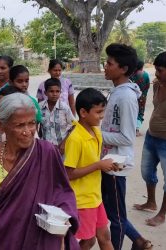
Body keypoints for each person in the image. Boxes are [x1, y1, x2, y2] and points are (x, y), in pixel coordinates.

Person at [0, 93, 79, 250]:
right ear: (0, 125)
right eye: (19, 125)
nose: (28, 131)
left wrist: (64, 218)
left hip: (45, 237)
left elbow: (64, 192)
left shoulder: (47, 152)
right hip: (10, 237)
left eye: (32, 123)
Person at [101, 43, 152, 250]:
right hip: (108, 161)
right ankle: (139, 241)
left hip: (116, 165)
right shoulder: (118, 92)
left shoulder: (126, 97)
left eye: (109, 63)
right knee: (112, 211)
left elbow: (127, 137)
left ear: (123, 69)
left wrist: (95, 134)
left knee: (116, 217)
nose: (105, 66)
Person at [134, 51, 166, 227]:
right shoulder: (157, 85)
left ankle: (162, 214)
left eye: (160, 70)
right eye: (156, 69)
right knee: (147, 172)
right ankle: (151, 202)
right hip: (151, 137)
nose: (156, 73)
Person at [63, 88, 116, 250]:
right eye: (98, 112)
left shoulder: (96, 132)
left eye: (103, 111)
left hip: (95, 197)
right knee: (87, 241)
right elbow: (68, 173)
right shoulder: (75, 139)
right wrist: (99, 165)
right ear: (83, 112)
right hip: (82, 200)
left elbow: (93, 161)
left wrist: (106, 165)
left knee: (104, 236)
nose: (102, 116)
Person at [39, 77, 75, 153]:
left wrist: (64, 142)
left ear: (60, 92)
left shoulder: (64, 108)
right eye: (51, 91)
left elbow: (74, 125)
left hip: (61, 148)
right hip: (45, 148)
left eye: (57, 91)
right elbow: (35, 124)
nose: (54, 94)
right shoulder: (40, 107)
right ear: (45, 93)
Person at [130, 60, 151, 136]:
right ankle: (137, 130)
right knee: (140, 112)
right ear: (142, 66)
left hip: (131, 96)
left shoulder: (131, 74)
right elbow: (147, 86)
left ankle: (130, 129)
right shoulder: (145, 75)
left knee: (132, 111)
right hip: (142, 97)